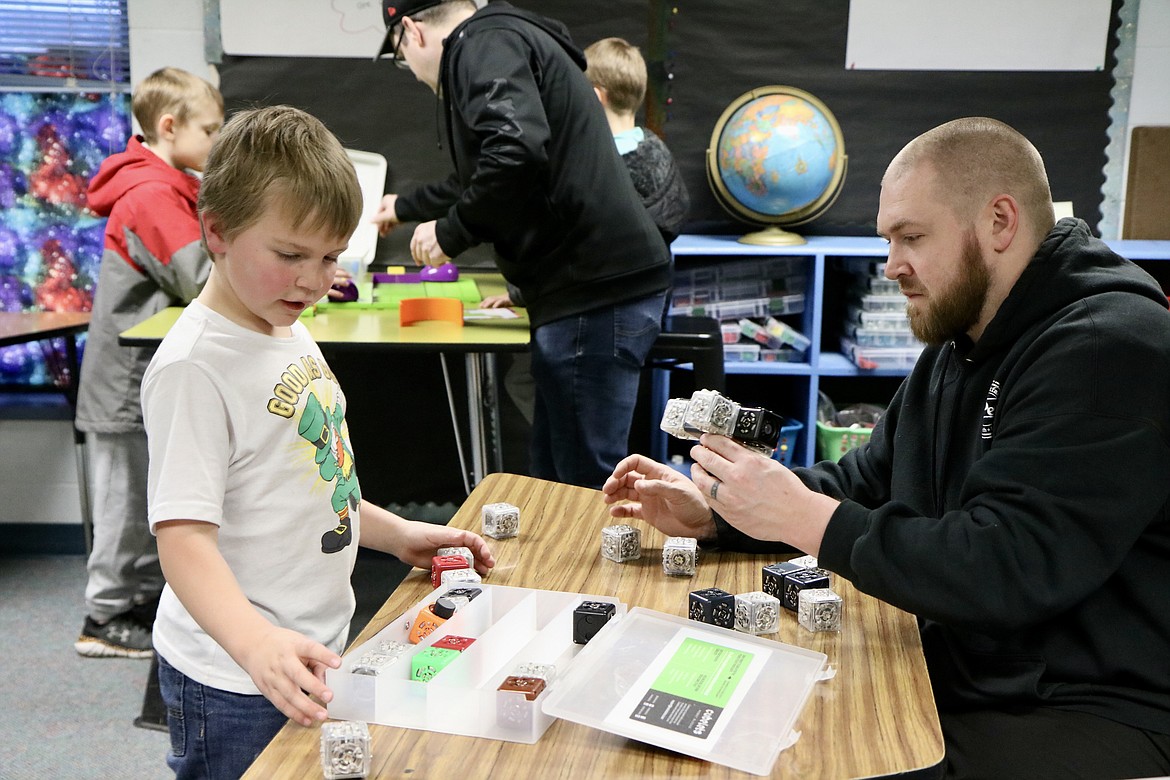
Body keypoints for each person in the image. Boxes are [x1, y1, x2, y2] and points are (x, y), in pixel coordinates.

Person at [603, 117, 1170, 779]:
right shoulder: (964, 340)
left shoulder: (1111, 347)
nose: (892, 264)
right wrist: (719, 515)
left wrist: (800, 517)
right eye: (889, 239)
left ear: (1000, 221)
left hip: (1091, 705)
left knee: (821, 759)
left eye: (912, 237)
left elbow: (1007, 564)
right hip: (978, 666)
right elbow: (868, 480)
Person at [141, 105, 496, 778]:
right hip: (235, 678)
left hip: (307, 650)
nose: (313, 279)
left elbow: (310, 481)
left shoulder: (284, 324)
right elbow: (182, 540)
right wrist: (257, 646)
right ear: (216, 231)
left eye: (329, 256)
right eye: (290, 255)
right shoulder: (196, 367)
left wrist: (396, 535)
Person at [372, 0, 672, 489]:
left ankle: (593, 569)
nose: (410, 70)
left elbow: (514, 154)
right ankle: (566, 567)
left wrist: (450, 233)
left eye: (401, 56)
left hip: (592, 291)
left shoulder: (480, 44)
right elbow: (487, 171)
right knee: (557, 477)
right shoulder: (506, 40)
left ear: (411, 31)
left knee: (585, 486)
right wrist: (407, 207)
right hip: (588, 290)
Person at [74, 66, 223, 659]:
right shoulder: (151, 194)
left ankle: (131, 602)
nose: (216, 140)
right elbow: (201, 277)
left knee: (140, 498)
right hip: (122, 381)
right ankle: (103, 617)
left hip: (141, 376)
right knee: (122, 501)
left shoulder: (170, 186)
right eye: (209, 130)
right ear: (170, 126)